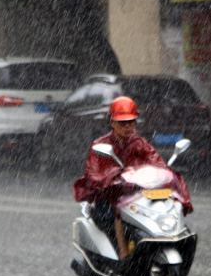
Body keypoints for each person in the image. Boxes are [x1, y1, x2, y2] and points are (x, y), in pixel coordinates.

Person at [72, 96, 193, 262]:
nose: (127, 126)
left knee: (165, 207)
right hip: (109, 196)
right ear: (112, 122)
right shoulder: (101, 145)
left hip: (137, 195)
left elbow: (156, 163)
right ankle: (123, 257)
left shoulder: (140, 144)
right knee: (117, 213)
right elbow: (94, 174)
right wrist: (114, 179)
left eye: (130, 122)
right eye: (122, 123)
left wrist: (164, 173)